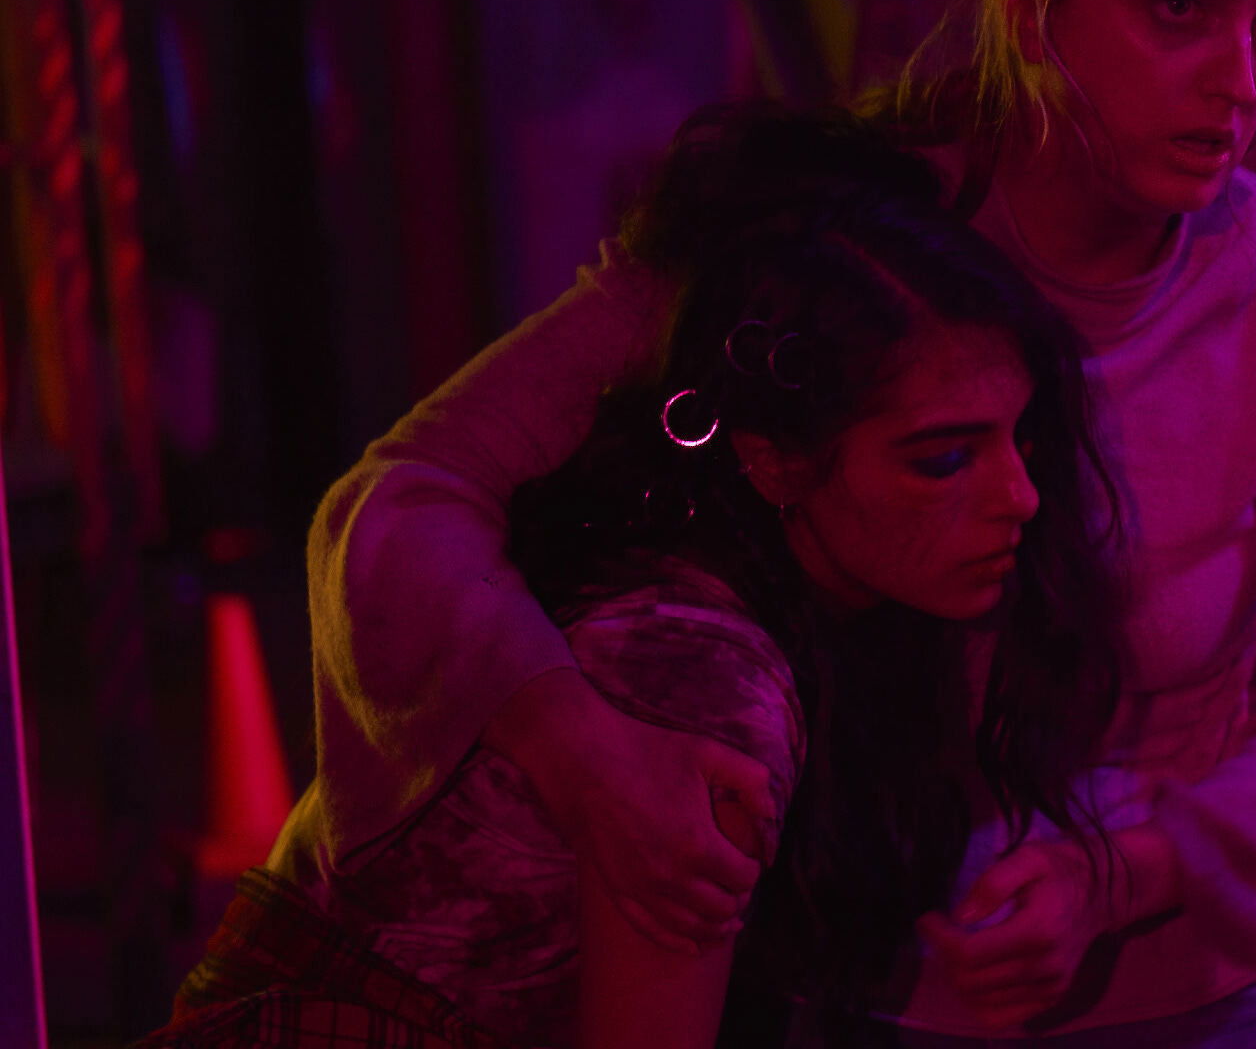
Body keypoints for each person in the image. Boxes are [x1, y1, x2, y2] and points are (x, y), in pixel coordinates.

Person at [299, 0, 1256, 1042]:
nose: (1241, 79)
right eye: (1178, 10)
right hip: (824, 983)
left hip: (1163, 998)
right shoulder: (821, 244)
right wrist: (583, 752)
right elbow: (403, 500)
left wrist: (1115, 879)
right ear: (1030, 7)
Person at [145, 103, 1123, 1047]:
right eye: (943, 457)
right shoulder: (701, 686)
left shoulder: (799, 610)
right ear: (773, 459)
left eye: (1023, 439)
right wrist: (573, 740)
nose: (1023, 496)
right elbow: (397, 496)